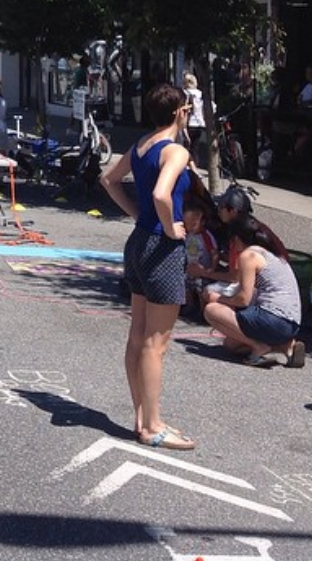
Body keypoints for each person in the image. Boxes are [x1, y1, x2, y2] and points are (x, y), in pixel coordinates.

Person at [99, 82, 194, 451]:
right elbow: (161, 194)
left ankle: (141, 416)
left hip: (138, 240)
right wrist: (170, 227)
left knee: (138, 335)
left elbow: (108, 179)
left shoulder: (142, 145)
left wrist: (137, 214)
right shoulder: (176, 150)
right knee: (157, 342)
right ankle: (153, 425)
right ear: (180, 112)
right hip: (162, 246)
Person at [203, 211, 304, 368]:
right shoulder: (271, 254)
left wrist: (219, 299)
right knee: (231, 344)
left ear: (236, 239)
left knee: (212, 310)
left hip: (273, 319)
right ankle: (285, 346)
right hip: (292, 323)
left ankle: (259, 347)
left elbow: (244, 299)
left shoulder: (248, 256)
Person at [182, 198, 219, 318]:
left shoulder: (206, 236)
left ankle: (202, 310)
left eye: (194, 224)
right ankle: (189, 305)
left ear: (202, 222)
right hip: (190, 267)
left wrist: (211, 268)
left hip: (203, 269)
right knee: (186, 283)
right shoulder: (187, 234)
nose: (190, 227)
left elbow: (214, 253)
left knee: (200, 286)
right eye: (187, 224)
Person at [182, 72, 206, 163]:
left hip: (189, 124)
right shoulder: (200, 94)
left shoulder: (185, 93)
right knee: (195, 148)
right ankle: (194, 166)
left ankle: (188, 167)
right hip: (199, 124)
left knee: (186, 148)